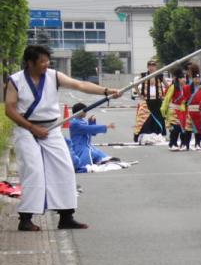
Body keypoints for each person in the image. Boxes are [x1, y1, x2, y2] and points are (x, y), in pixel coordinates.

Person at [4, 45, 120, 231]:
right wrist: (32, 128)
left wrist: (106, 91)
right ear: (29, 63)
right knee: (33, 170)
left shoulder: (53, 76)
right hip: (26, 129)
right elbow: (9, 109)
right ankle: (25, 219)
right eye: (41, 61)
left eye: (47, 60)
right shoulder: (15, 81)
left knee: (64, 167)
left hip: (51, 128)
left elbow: (80, 85)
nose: (46, 64)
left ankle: (66, 216)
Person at [67, 104, 129, 172]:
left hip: (88, 147)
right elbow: (89, 129)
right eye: (85, 111)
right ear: (80, 112)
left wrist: (91, 122)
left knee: (102, 156)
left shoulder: (80, 121)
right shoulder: (75, 123)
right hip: (80, 149)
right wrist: (106, 126)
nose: (86, 112)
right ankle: (91, 166)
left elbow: (92, 132)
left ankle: (104, 161)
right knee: (83, 166)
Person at [135, 60, 166, 140]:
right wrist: (139, 95)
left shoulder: (159, 75)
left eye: (153, 66)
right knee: (145, 117)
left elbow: (167, 85)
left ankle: (159, 133)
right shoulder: (144, 75)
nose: (151, 67)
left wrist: (164, 95)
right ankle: (145, 133)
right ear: (147, 67)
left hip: (157, 100)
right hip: (147, 100)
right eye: (150, 66)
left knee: (159, 117)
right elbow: (135, 85)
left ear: (155, 67)